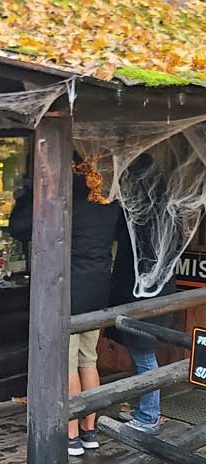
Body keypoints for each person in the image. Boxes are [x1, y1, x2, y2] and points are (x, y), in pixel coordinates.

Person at [9, 153, 120, 457]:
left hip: (69, 290)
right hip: (98, 289)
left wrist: (28, 195)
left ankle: (70, 435)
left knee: (68, 364)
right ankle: (89, 430)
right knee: (89, 359)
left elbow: (18, 228)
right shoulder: (107, 204)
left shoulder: (63, 202)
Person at [108, 154, 176, 435]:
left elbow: (118, 240)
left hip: (142, 295)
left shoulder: (138, 214)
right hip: (160, 292)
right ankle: (143, 410)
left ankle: (148, 417)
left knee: (144, 356)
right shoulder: (166, 209)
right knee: (143, 354)